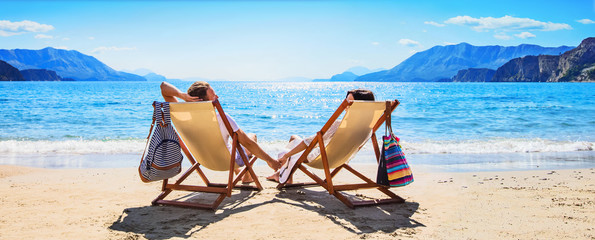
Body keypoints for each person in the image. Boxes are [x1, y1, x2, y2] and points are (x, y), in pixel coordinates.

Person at [160, 81, 280, 182]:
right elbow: (248, 143)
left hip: (203, 160)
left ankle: (241, 173)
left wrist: (182, 96)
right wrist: (271, 161)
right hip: (228, 162)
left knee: (229, 144)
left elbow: (163, 87)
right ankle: (247, 177)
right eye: (213, 95)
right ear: (204, 100)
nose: (217, 97)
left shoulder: (183, 116)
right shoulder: (223, 118)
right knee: (250, 137)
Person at [269, 89, 376, 183]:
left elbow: (309, 142)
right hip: (341, 160)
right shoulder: (368, 128)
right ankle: (281, 175)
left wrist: (285, 157)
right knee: (295, 139)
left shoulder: (340, 125)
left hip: (321, 159)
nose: (345, 106)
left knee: (293, 141)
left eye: (350, 102)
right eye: (346, 101)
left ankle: (282, 175)